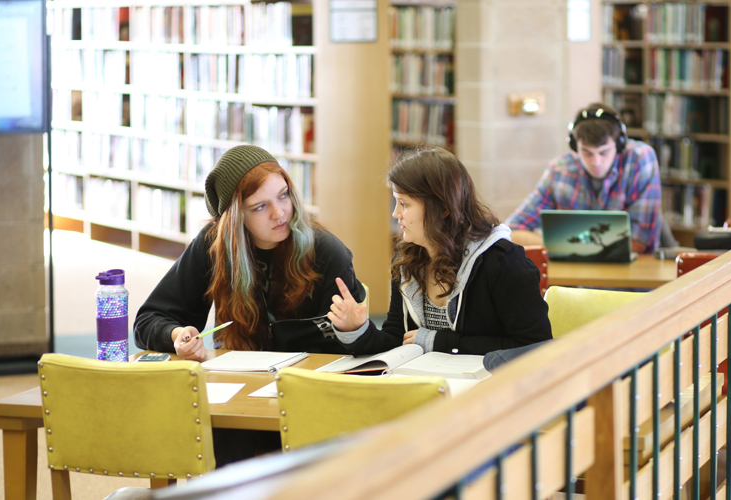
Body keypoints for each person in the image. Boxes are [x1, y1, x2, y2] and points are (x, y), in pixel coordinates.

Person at [134, 144, 364, 465]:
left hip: (310, 398)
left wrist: (355, 328)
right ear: (234, 217)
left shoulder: (325, 251)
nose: (280, 213)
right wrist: (177, 336)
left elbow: (361, 352)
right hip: (240, 396)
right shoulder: (214, 246)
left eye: (283, 195)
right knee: (212, 427)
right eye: (259, 207)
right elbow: (149, 320)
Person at [326, 147, 552, 355]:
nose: (396, 214)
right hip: (430, 387)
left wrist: (439, 342)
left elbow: (533, 348)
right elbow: (397, 339)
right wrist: (357, 329)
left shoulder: (503, 262)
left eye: (404, 204)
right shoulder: (406, 260)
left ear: (443, 208)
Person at [505, 103, 663, 254]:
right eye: (587, 153)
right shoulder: (560, 170)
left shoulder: (640, 159)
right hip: (576, 274)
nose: (596, 162)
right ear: (575, 147)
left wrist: (563, 244)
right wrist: (567, 247)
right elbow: (512, 230)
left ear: (619, 144)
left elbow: (639, 242)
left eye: (604, 152)